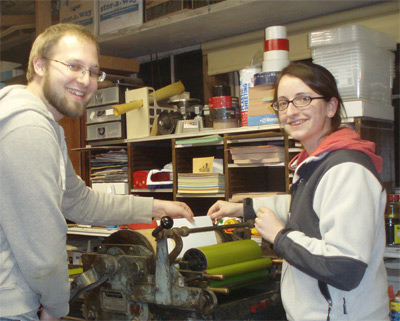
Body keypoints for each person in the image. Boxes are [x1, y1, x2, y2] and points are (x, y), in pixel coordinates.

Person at [0, 23, 194, 321]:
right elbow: (41, 244)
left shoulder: (42, 125)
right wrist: (56, 306)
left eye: (93, 72)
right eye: (74, 66)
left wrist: (156, 206)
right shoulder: (28, 129)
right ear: (39, 65)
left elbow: (80, 202)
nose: (85, 80)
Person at [207, 63, 389, 320]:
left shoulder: (347, 170)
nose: (291, 111)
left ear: (331, 106)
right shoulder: (317, 162)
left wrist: (280, 236)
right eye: (283, 103)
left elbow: (344, 267)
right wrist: (242, 208)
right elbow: (305, 207)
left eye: (303, 99)